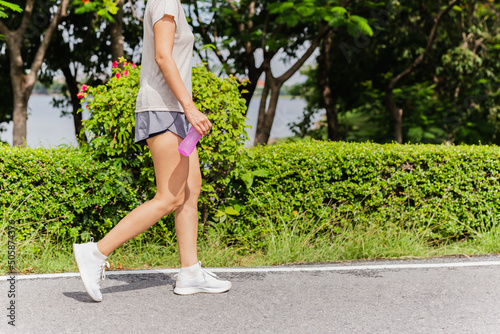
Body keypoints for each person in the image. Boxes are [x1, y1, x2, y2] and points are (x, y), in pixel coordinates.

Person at [72, 0, 231, 302]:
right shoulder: (166, 1)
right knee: (169, 197)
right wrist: (190, 107)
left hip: (174, 110)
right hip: (164, 108)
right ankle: (95, 252)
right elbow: (162, 56)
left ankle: (190, 272)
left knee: (190, 188)